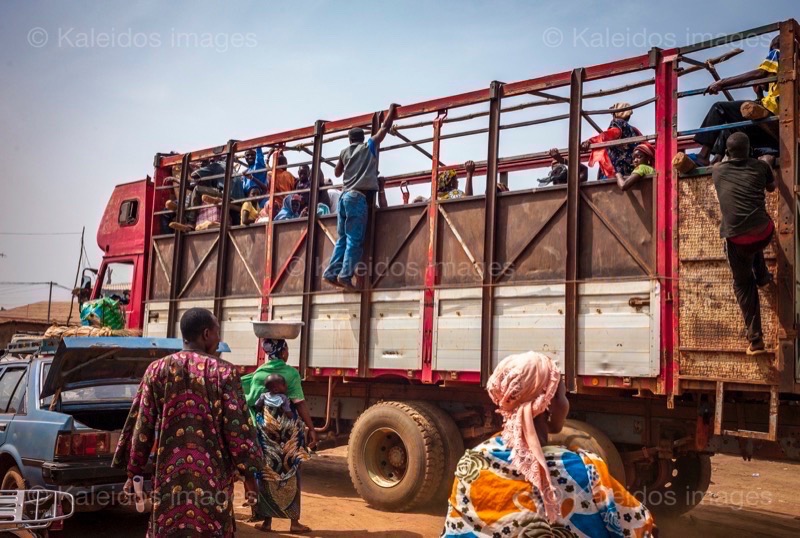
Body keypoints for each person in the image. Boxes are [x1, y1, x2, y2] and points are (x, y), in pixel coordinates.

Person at [442, 351, 656, 538]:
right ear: (548, 405)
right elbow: (641, 528)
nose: (566, 402)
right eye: (563, 395)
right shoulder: (584, 470)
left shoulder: (472, 463)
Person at [112, 308, 262, 537]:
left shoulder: (156, 370)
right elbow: (238, 431)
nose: (218, 338)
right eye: (217, 332)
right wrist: (250, 477)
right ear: (206, 334)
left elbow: (142, 427)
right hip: (213, 482)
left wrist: (133, 472)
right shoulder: (224, 373)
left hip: (169, 482)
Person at [241, 338, 319, 534]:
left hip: (265, 434)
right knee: (291, 475)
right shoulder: (290, 373)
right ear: (283, 351)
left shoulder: (259, 373)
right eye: (287, 349)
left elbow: (251, 401)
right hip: (288, 435)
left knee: (265, 474)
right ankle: (294, 523)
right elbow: (299, 403)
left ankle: (267, 522)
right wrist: (312, 428)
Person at [323, 103, 399, 291]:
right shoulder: (369, 146)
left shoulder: (344, 152)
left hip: (343, 197)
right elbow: (384, 128)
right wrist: (390, 111)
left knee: (342, 239)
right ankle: (345, 276)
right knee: (354, 240)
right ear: (362, 138)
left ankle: (331, 273)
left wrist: (347, 162)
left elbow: (337, 172)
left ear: (349, 140)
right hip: (357, 198)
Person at [713, 132, 776, 355]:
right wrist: (766, 163)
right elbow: (771, 188)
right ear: (750, 150)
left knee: (742, 283)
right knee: (753, 232)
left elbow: (718, 161)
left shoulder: (718, 170)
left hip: (738, 240)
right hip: (764, 232)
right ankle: (763, 277)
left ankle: (755, 339)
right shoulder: (761, 167)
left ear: (728, 153)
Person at [692, 36, 781, 166]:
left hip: (773, 117)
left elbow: (760, 73)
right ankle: (716, 160)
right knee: (729, 124)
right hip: (774, 120)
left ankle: (703, 155)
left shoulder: (778, 53)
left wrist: (723, 82)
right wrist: (759, 93)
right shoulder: (789, 69)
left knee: (719, 108)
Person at [581, 102, 643, 180]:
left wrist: (590, 141)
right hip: (630, 172)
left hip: (616, 173)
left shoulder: (618, 123)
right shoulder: (634, 130)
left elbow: (608, 135)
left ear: (616, 114)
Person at [269, 154, 297, 218]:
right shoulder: (287, 175)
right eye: (286, 163)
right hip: (287, 204)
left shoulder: (270, 174)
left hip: (273, 205)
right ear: (284, 164)